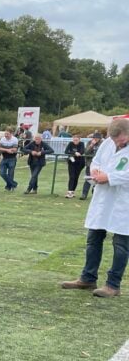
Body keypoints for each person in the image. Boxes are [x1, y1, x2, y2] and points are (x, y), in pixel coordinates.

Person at [61, 118, 129, 298]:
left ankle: (113, 285)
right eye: (114, 140)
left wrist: (110, 177)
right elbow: (97, 161)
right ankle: (88, 277)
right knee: (94, 238)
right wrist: (95, 171)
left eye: (121, 140)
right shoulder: (107, 143)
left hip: (124, 201)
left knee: (120, 244)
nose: (117, 143)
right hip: (103, 198)